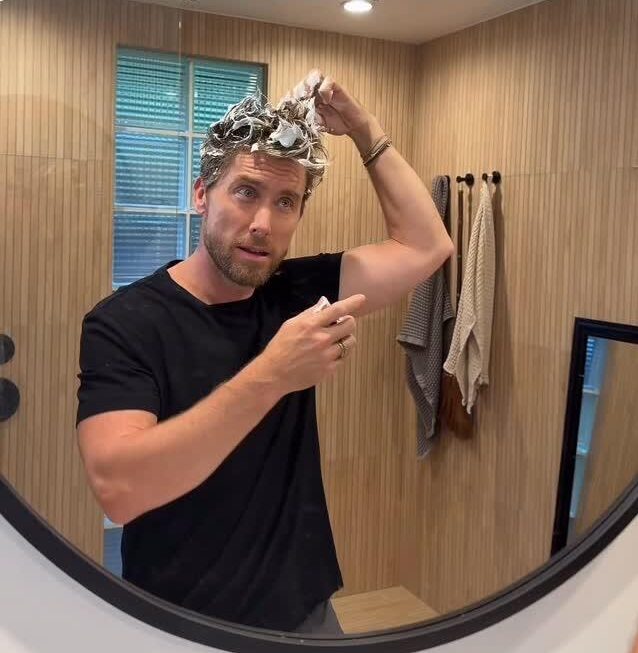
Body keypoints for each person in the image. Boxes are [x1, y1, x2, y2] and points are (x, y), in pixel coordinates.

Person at [76, 69, 453, 634]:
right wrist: (274, 374)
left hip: (304, 613)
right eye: (246, 192)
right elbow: (120, 489)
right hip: (179, 621)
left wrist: (363, 128)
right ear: (202, 195)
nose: (262, 224)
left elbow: (428, 246)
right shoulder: (125, 323)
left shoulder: (296, 291)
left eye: (286, 202)